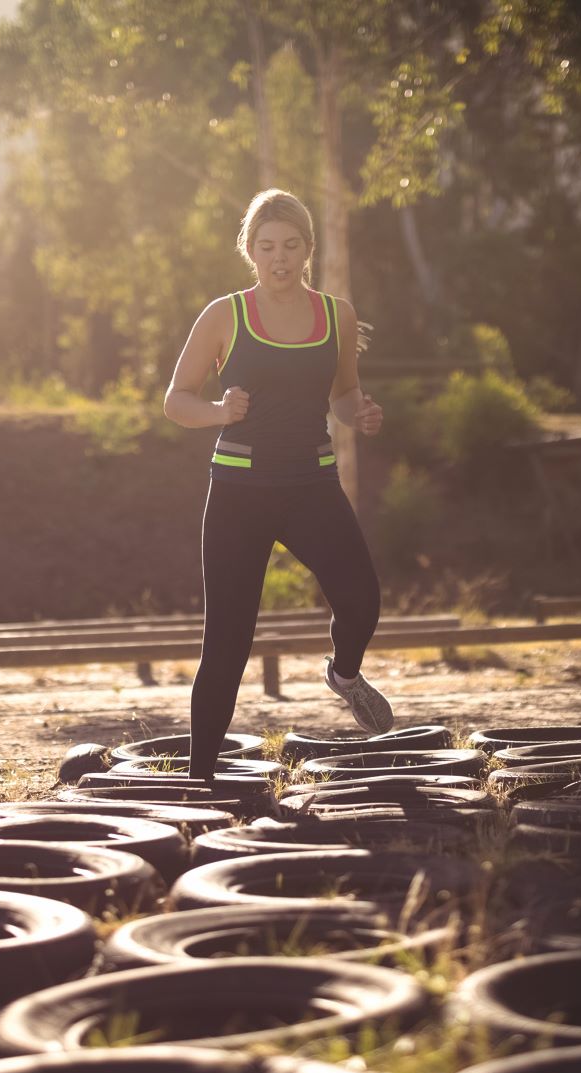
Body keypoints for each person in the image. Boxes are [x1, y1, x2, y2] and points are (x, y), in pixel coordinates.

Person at [164, 188, 392, 780]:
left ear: (308, 249)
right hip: (239, 492)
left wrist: (357, 413)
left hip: (311, 485)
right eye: (267, 246)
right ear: (250, 250)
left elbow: (341, 392)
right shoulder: (225, 314)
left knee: (362, 598)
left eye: (291, 245)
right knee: (227, 643)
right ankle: (200, 780)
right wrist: (219, 411)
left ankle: (343, 675)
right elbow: (175, 400)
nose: (279, 257)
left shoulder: (334, 314)